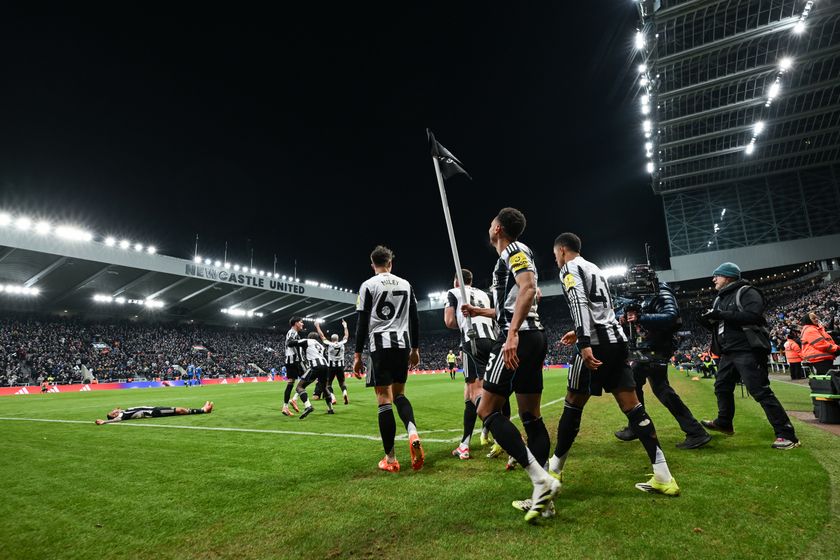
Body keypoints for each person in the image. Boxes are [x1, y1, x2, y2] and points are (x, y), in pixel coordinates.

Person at [546, 232, 680, 499]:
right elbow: (602, 310)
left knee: (573, 402)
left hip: (596, 343)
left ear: (561, 250)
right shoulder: (594, 267)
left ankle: (554, 470)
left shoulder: (570, 268)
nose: (556, 260)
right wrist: (580, 331)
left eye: (554, 255)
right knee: (633, 406)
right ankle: (664, 476)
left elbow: (579, 302)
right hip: (617, 341)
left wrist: (583, 340)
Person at [465, 207, 558, 523]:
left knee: (486, 410)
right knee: (531, 416)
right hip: (533, 335)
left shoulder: (515, 249)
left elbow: (530, 288)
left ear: (499, 228)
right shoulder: (509, 257)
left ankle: (540, 479)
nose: (488, 226)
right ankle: (543, 500)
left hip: (518, 338)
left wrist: (512, 333)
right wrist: (479, 313)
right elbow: (521, 297)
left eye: (492, 222)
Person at [698, 262, 800, 450]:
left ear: (728, 276)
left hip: (747, 349)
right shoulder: (719, 299)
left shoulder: (747, 291)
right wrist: (708, 320)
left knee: (760, 391)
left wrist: (721, 314)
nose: (713, 279)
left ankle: (787, 434)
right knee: (721, 387)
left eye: (717, 276)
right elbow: (721, 324)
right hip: (728, 351)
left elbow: (753, 316)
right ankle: (724, 423)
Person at [613, 275, 711, 449]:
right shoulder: (645, 296)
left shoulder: (662, 292)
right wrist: (625, 318)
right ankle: (695, 431)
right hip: (650, 348)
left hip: (656, 348)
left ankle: (638, 425)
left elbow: (672, 317)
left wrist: (640, 318)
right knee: (660, 389)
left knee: (634, 383)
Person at [352, 246, 424, 472]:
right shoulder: (406, 284)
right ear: (391, 263)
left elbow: (362, 324)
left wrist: (356, 355)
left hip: (379, 346)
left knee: (384, 399)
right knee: (400, 394)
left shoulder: (368, 285)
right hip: (402, 344)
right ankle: (412, 432)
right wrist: (415, 349)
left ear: (373, 264)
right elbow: (414, 319)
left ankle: (391, 459)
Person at [444, 268, 498, 460]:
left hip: (472, 341)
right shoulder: (485, 294)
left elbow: (449, 321)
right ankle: (464, 444)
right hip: (491, 340)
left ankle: (506, 436)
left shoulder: (454, 292)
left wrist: (461, 319)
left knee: (475, 393)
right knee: (469, 395)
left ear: (457, 281)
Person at [288, 332, 335, 418]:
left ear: (309, 337)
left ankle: (308, 406)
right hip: (325, 366)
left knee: (299, 387)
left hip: (315, 366)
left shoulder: (307, 341)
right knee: (324, 388)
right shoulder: (321, 345)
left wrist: (290, 339)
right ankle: (330, 409)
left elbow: (290, 344)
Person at [316, 319, 350, 405]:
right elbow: (346, 335)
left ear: (331, 339)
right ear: (338, 338)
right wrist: (345, 326)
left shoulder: (329, 344)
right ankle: (344, 393)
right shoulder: (342, 343)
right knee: (342, 382)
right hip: (340, 366)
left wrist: (317, 326)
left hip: (331, 366)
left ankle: (333, 398)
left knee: (329, 384)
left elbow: (322, 336)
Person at [95, 401, 213, 424]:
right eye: (112, 412)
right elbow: (115, 420)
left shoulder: (124, 411)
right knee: (179, 410)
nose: (114, 410)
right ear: (114, 415)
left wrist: (119, 409)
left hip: (154, 409)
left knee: (179, 410)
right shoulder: (122, 416)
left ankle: (202, 409)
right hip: (154, 412)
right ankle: (203, 410)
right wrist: (104, 421)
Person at [281, 317, 305, 417]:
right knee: (308, 378)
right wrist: (303, 341)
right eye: (301, 322)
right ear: (296, 323)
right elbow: (289, 343)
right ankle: (292, 400)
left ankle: (287, 405)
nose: (302, 324)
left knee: (293, 382)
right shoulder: (292, 332)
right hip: (294, 361)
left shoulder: (295, 334)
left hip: (294, 360)